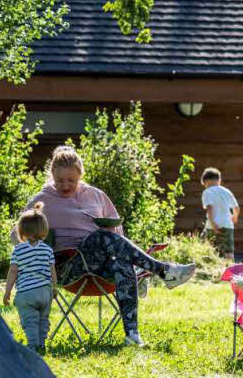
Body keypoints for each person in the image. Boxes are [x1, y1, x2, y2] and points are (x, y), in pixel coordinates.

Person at [13, 145, 196, 347]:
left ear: (80, 175)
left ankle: (132, 334)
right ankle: (163, 271)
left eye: (71, 180)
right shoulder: (41, 200)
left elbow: (118, 233)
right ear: (52, 176)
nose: (65, 185)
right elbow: (17, 235)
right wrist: (38, 244)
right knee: (101, 237)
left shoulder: (96, 195)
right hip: (66, 267)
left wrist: (109, 231)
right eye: (60, 181)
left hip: (101, 263)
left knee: (122, 264)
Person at [4, 202, 56, 353]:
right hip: (45, 292)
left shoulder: (18, 250)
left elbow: (13, 272)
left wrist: (8, 292)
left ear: (21, 231)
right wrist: (54, 288)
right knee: (43, 320)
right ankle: (41, 344)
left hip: (26, 292)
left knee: (30, 320)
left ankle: (33, 345)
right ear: (44, 230)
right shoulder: (47, 250)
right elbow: (52, 271)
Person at [200, 167, 240, 261]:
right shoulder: (227, 191)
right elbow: (236, 208)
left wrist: (213, 223)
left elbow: (209, 208)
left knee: (211, 249)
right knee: (229, 251)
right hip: (227, 224)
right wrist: (235, 217)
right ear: (219, 180)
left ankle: (214, 270)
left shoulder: (207, 192)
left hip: (213, 226)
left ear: (206, 182)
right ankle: (231, 272)